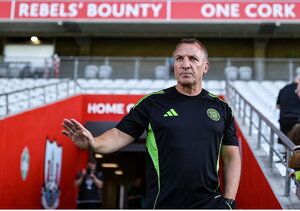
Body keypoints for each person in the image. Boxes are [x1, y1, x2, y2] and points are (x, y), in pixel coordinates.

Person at [62, 38, 241, 209]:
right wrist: (94, 143)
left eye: (193, 59)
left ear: (205, 67)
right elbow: (118, 135)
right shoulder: (152, 103)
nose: (185, 64)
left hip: (211, 204)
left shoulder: (222, 108)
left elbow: (231, 157)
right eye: (179, 59)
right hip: (164, 204)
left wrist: (229, 202)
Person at [276, 75, 300, 141]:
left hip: (284, 118)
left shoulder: (284, 89)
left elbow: (278, 106)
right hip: (297, 118)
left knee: (285, 141)